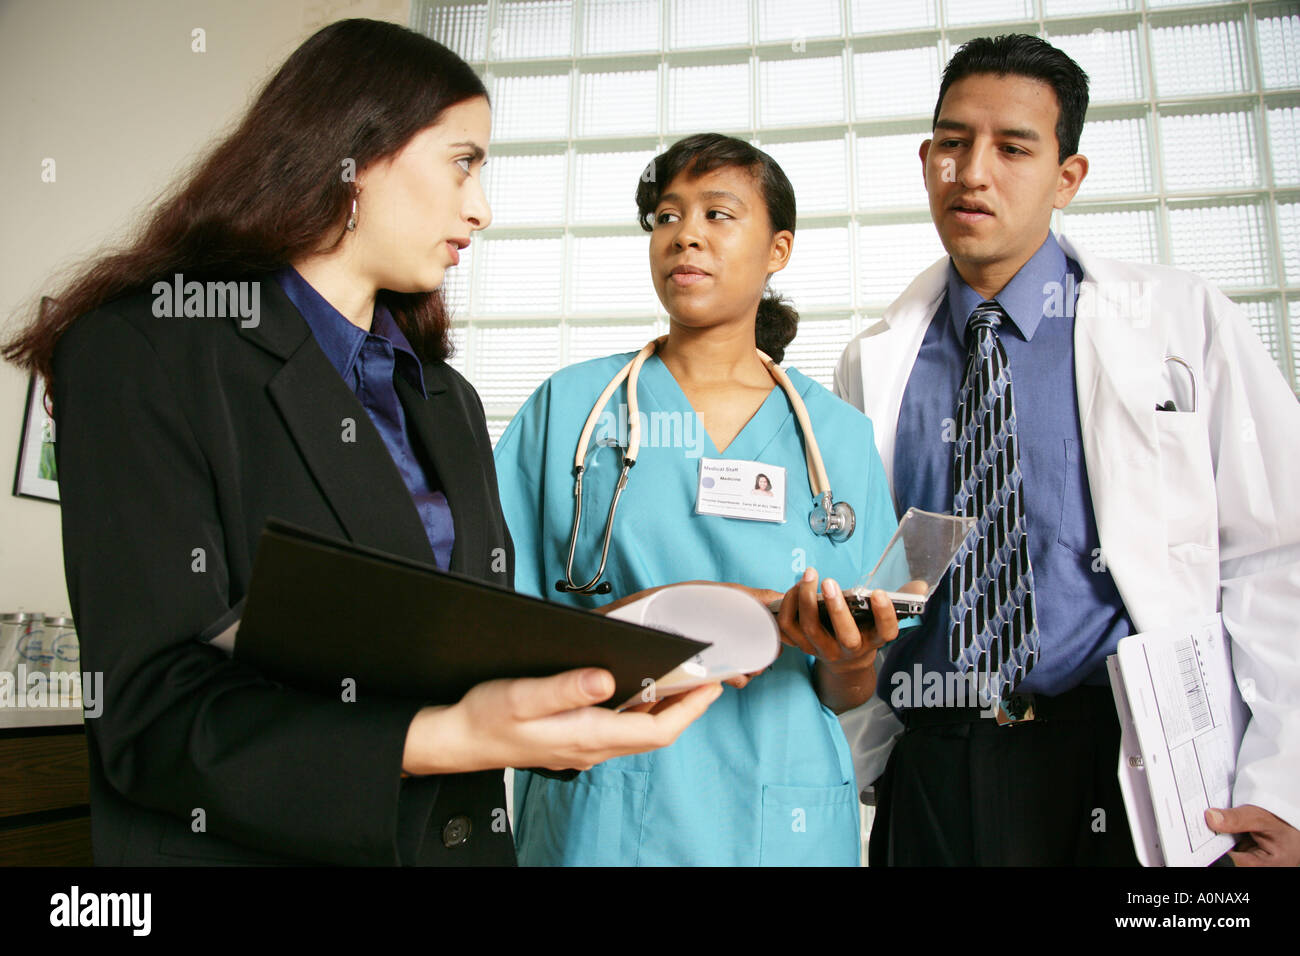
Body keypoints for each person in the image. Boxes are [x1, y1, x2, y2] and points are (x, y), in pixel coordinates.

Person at [1, 19, 719, 867]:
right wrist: (442, 737)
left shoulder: (443, 397)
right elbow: (151, 716)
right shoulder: (146, 351)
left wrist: (575, 696)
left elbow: (453, 646)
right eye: (464, 162)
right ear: (354, 154)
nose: (481, 208)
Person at [835, 34, 1300, 866]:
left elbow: (1276, 553)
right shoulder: (875, 360)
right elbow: (872, 567)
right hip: (932, 763)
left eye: (1013, 148)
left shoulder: (1179, 322)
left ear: (1067, 179)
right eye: (953, 142)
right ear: (927, 159)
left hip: (1119, 757)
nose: (973, 171)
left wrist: (1282, 780)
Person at [493, 133, 904, 866]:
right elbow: (499, 628)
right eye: (666, 216)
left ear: (778, 249)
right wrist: (685, 616)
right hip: (605, 802)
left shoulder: (838, 440)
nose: (685, 234)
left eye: (719, 214)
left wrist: (848, 656)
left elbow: (848, 692)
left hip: (780, 810)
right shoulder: (572, 411)